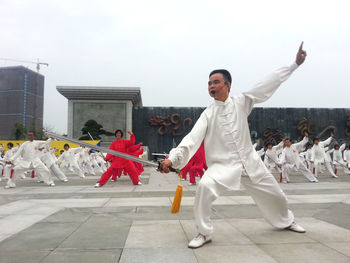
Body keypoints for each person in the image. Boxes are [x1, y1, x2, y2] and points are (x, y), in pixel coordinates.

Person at [160, 42, 308, 249]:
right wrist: (173, 159)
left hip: (250, 162)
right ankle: (204, 233)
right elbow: (191, 138)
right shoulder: (208, 113)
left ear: (228, 84)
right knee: (204, 186)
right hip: (223, 165)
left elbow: (266, 84)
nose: (211, 86)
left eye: (216, 82)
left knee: (276, 194)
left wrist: (294, 65)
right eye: (209, 83)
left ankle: (286, 221)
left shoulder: (241, 102)